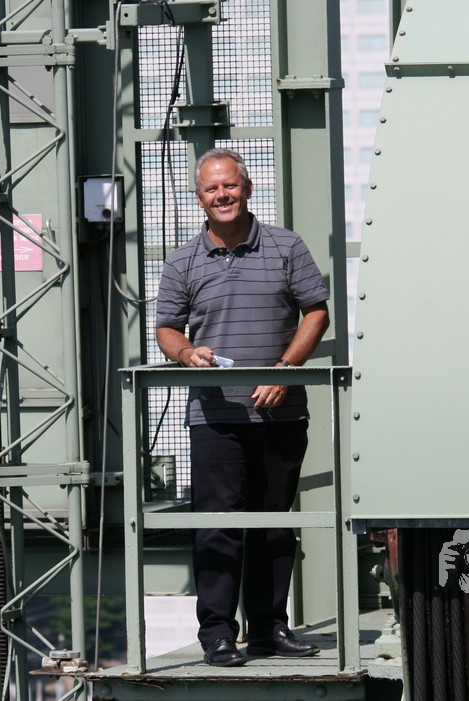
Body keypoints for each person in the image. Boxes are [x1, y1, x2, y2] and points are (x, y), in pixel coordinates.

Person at [154, 148, 331, 667]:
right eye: (212, 189)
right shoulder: (182, 261)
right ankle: (217, 635)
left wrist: (284, 370)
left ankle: (269, 629)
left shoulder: (286, 246)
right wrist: (186, 353)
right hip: (216, 416)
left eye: (230, 185)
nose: (222, 195)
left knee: (274, 523)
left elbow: (316, 313)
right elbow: (167, 328)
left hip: (281, 412)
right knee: (218, 524)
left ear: (248, 189)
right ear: (199, 198)